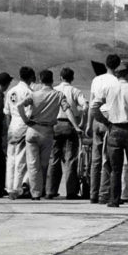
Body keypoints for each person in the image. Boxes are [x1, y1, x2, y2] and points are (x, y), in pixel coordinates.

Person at [90, 62, 128, 207]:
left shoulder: (108, 88)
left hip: (114, 130)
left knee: (115, 168)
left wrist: (105, 122)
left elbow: (94, 107)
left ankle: (114, 199)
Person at [17, 69, 68, 200]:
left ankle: (35, 193)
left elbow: (19, 105)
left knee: (33, 164)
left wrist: (25, 120)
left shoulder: (34, 95)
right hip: (47, 131)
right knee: (44, 164)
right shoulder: (58, 95)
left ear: (40, 80)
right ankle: (41, 189)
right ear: (52, 80)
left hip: (32, 129)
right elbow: (67, 110)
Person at [47, 67, 87, 199]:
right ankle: (71, 192)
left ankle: (51, 191)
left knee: (54, 158)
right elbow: (85, 105)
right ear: (72, 78)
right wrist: (81, 122)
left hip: (54, 125)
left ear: (60, 78)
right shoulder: (75, 91)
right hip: (70, 125)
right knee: (70, 159)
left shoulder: (54, 90)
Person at [86, 54, 120, 204]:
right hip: (108, 120)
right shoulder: (117, 82)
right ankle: (103, 194)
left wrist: (88, 124)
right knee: (107, 160)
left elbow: (92, 103)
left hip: (96, 121)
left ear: (105, 64)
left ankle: (93, 194)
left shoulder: (96, 80)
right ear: (117, 66)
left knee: (95, 161)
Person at [5, 66, 34, 199]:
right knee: (21, 159)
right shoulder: (28, 92)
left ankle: (9, 186)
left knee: (10, 158)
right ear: (30, 77)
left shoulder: (11, 91)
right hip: (23, 124)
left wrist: (8, 127)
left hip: (12, 125)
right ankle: (16, 189)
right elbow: (30, 112)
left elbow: (7, 112)